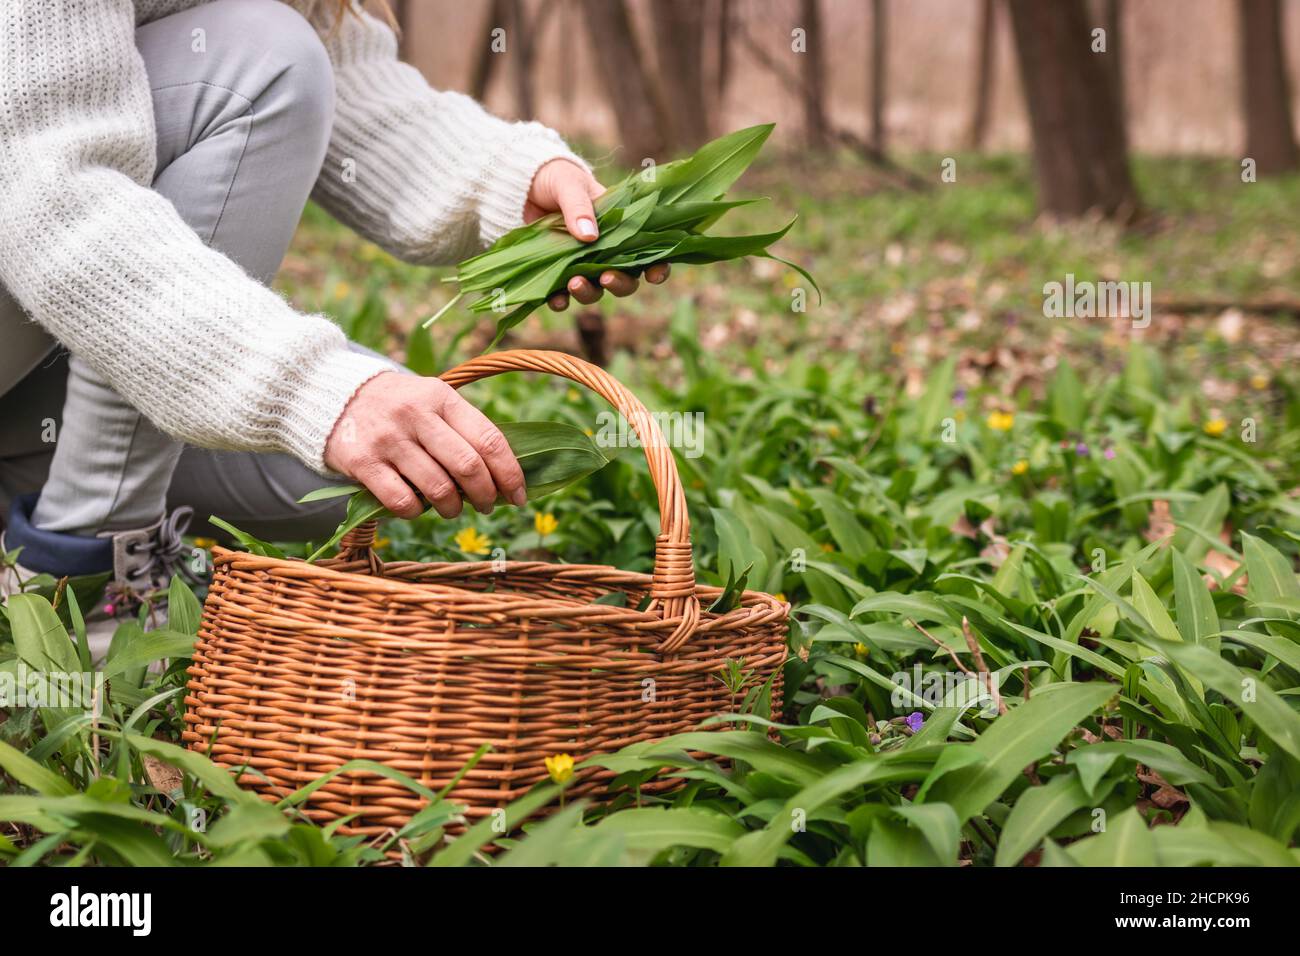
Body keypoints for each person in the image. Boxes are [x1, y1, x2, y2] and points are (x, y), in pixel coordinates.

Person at [0, 0, 669, 643]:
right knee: (267, 52)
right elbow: (54, 194)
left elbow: (343, 84)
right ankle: (82, 570)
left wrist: (512, 180)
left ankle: (24, 489)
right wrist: (309, 389)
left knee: (358, 477)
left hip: (36, 348)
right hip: (36, 236)